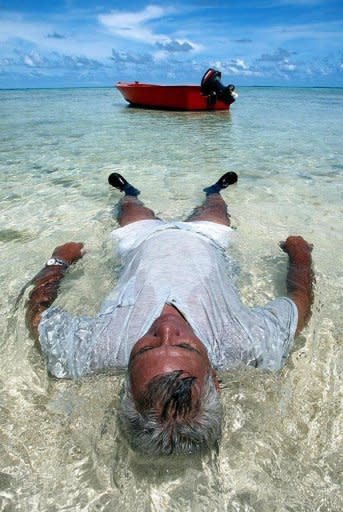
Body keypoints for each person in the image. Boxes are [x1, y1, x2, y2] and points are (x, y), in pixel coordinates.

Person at [25, 172, 314, 455]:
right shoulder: (243, 343)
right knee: (214, 208)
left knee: (131, 207)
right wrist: (300, 254)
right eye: (185, 345)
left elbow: (38, 315)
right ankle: (214, 189)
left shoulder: (97, 350)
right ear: (213, 379)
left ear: (125, 384)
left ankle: (129, 191)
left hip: (139, 242)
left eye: (145, 348)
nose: (166, 327)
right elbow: (299, 300)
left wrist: (59, 260)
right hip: (207, 239)